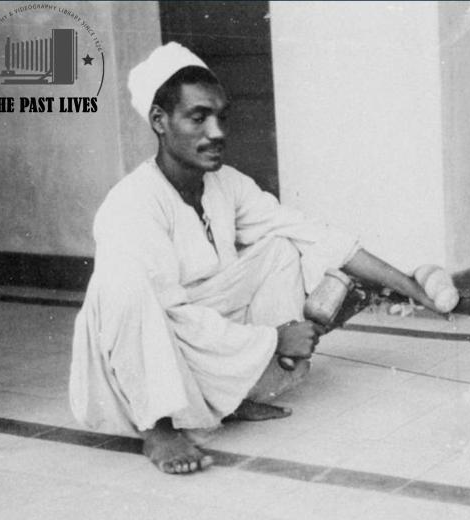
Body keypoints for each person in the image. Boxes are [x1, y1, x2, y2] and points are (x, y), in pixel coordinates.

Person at [69, 42, 447, 475]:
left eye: (221, 117)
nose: (216, 132)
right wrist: (273, 339)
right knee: (123, 283)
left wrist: (413, 288)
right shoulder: (131, 203)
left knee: (280, 246)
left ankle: (234, 396)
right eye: (198, 117)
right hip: (152, 348)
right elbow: (161, 313)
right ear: (160, 120)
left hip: (206, 337)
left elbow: (313, 233)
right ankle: (158, 427)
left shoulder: (226, 184)